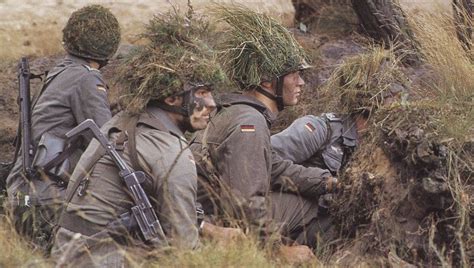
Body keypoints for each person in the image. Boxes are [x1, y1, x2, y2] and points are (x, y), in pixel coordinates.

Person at [51, 11, 230, 266]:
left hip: (66, 251)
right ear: (171, 98)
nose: (212, 104)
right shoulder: (171, 153)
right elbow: (184, 248)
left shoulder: (121, 121)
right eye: (202, 93)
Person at [190, 6, 339, 261]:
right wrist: (278, 252)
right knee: (309, 206)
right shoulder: (250, 123)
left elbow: (276, 168)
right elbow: (247, 202)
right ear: (269, 81)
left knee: (307, 194)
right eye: (294, 75)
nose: (301, 83)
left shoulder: (236, 111)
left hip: (205, 212)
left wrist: (327, 182)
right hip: (214, 220)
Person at [5, 4, 121, 249]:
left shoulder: (58, 73)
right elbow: (105, 145)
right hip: (48, 199)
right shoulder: (87, 78)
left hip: (24, 195)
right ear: (108, 46)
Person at [271, 48, 407, 247]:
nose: (399, 105)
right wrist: (323, 183)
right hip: (290, 224)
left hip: (326, 229)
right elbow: (261, 162)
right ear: (371, 98)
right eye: (392, 97)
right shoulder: (319, 129)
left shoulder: (384, 144)